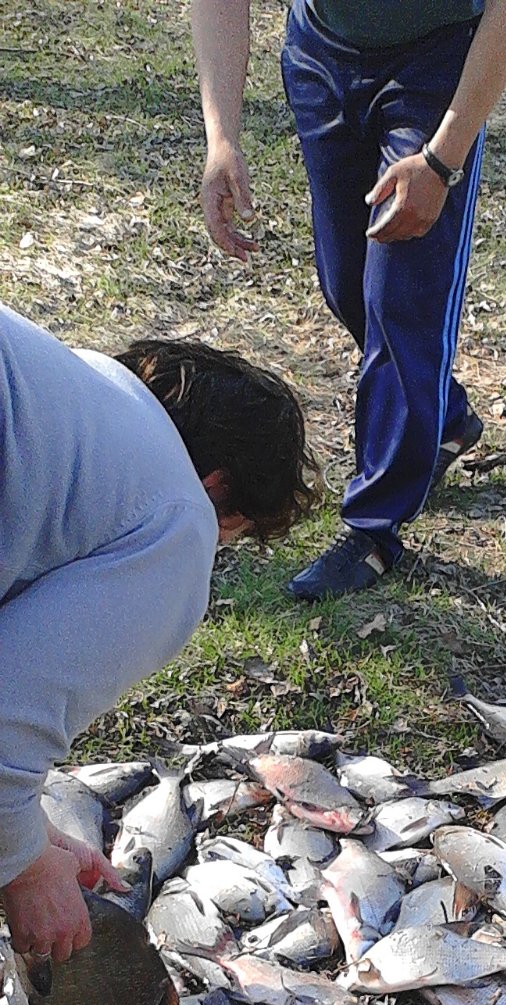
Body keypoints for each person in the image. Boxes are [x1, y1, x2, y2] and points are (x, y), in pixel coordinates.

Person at [0, 301, 318, 963]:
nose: (217, 546)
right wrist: (24, 865)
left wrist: (27, 828)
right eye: (237, 533)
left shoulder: (75, 395)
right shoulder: (180, 518)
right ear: (220, 486)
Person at [191, 0, 506, 602]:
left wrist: (441, 158)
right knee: (346, 285)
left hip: (434, 67)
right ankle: (443, 416)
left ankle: (373, 530)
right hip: (321, 59)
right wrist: (221, 136)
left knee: (399, 302)